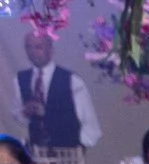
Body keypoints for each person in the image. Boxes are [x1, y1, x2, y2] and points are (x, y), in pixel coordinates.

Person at [18, 25, 100, 155]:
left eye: (38, 47)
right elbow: (19, 119)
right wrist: (24, 113)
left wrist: (78, 148)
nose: (33, 52)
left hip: (68, 154)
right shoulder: (20, 79)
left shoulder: (72, 80)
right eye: (29, 47)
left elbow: (89, 121)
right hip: (37, 155)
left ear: (50, 49)